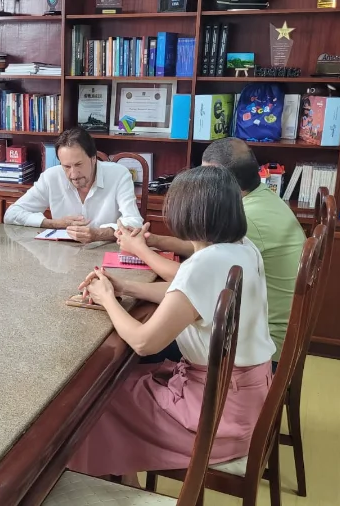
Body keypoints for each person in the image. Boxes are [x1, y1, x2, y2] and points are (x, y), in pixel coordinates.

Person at [68, 166, 274, 480]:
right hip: (247, 400)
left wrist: (108, 299)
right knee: (121, 383)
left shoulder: (203, 264)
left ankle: (117, 488)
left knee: (94, 405)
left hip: (217, 418)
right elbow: (187, 297)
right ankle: (124, 477)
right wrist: (125, 287)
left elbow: (144, 342)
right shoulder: (242, 247)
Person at [117, 138, 305, 364]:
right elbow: (195, 282)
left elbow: (144, 342)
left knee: (128, 356)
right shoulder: (246, 227)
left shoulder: (246, 225)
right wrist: (153, 244)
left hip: (255, 347)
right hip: (252, 344)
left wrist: (138, 253)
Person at [3, 127, 142, 243]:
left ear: (93, 158)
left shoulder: (119, 175)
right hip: (63, 256)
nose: (74, 174)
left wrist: (98, 234)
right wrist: (56, 224)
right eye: (67, 167)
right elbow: (11, 214)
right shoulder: (51, 177)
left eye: (78, 164)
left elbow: (134, 222)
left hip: (106, 253)